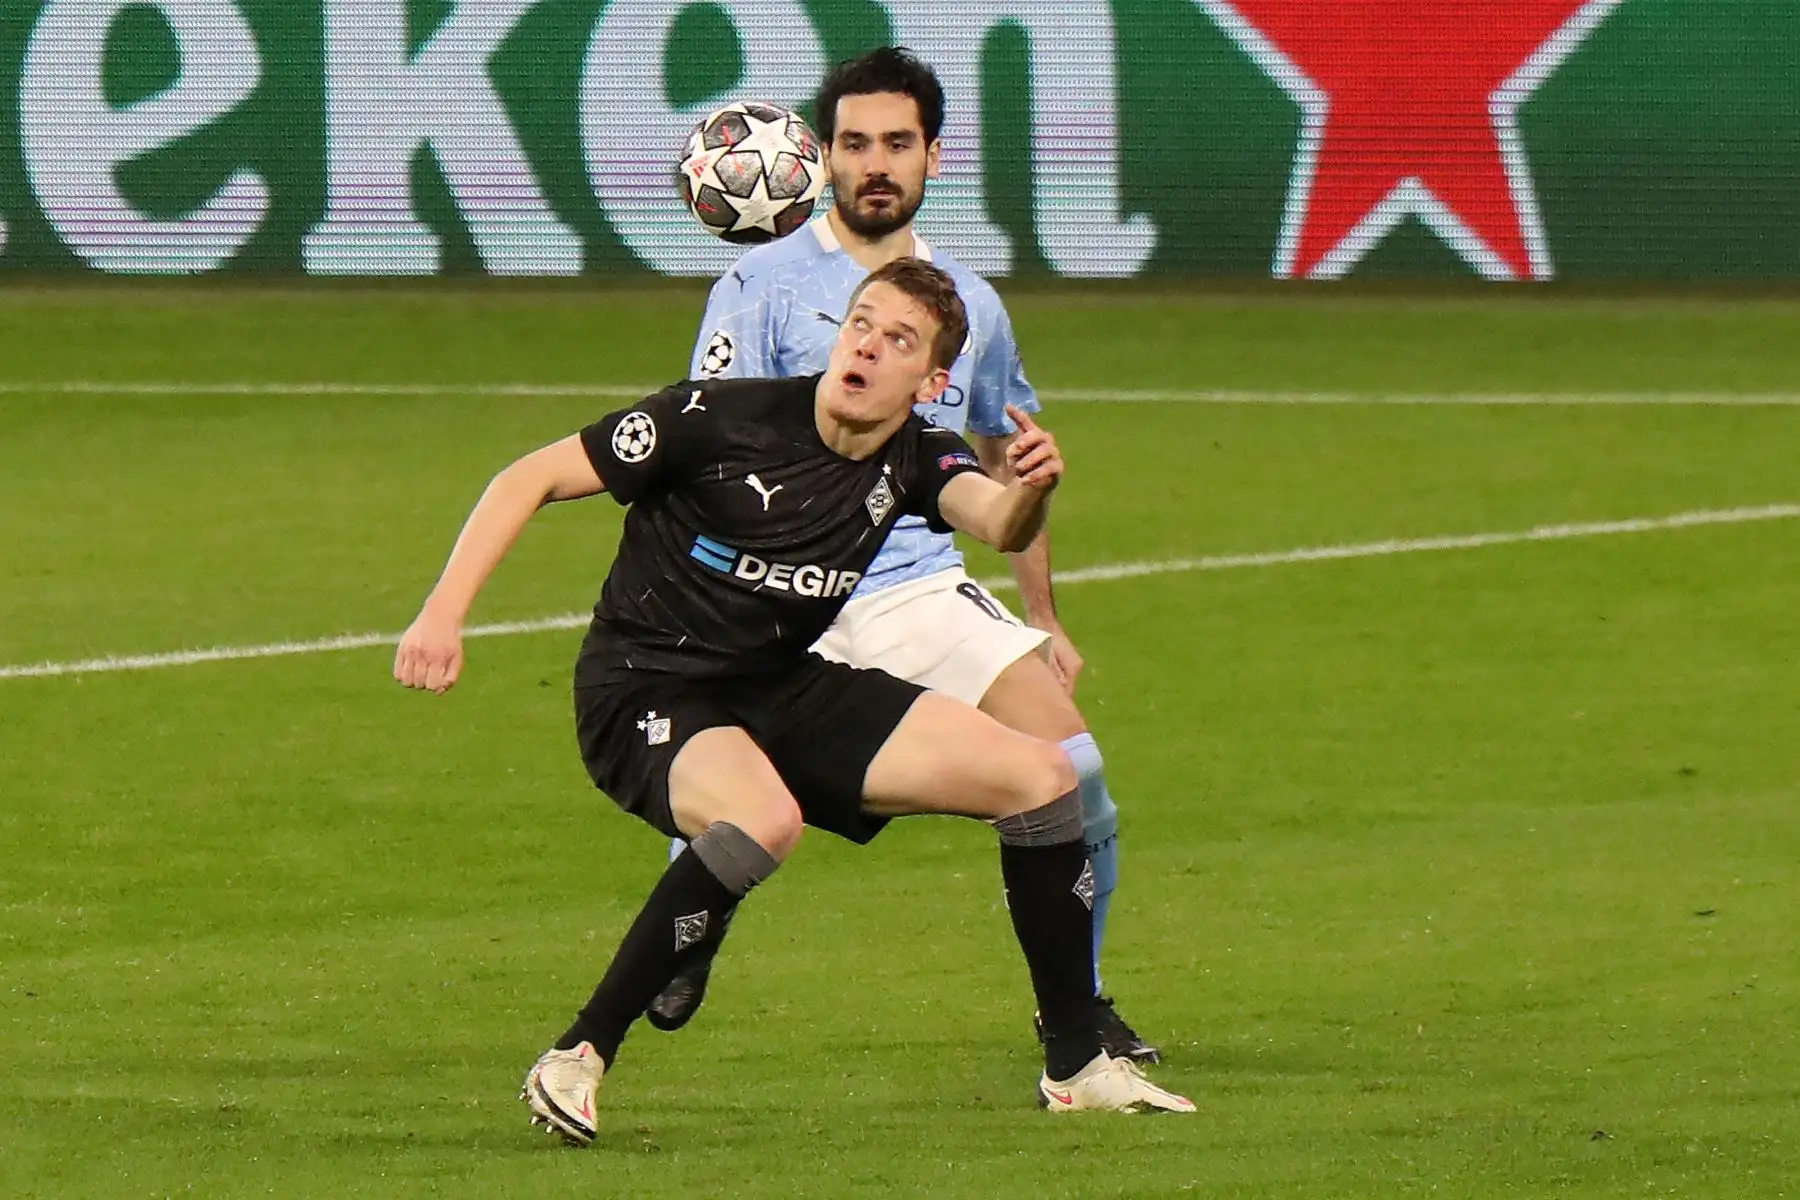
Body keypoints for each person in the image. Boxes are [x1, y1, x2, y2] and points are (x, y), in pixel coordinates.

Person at [394, 260, 1194, 1143]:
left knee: (1044, 778)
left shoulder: (919, 453)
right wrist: (442, 614)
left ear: (932, 383)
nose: (867, 346)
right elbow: (528, 477)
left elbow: (996, 521)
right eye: (861, 322)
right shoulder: (714, 417)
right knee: (763, 819)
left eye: (899, 340)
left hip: (779, 682)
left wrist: (1033, 490)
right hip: (645, 686)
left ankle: (1076, 1064)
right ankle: (578, 1055)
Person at [650, 46, 1158, 1064]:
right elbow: (698, 446)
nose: (875, 163)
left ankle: (1081, 1002)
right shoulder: (757, 287)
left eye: (896, 143)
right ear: (821, 159)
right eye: (853, 144)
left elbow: (1002, 460)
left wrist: (1045, 616)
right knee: (738, 798)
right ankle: (686, 928)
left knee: (1078, 770)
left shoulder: (967, 303)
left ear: (933, 155)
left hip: (919, 584)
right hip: (787, 595)